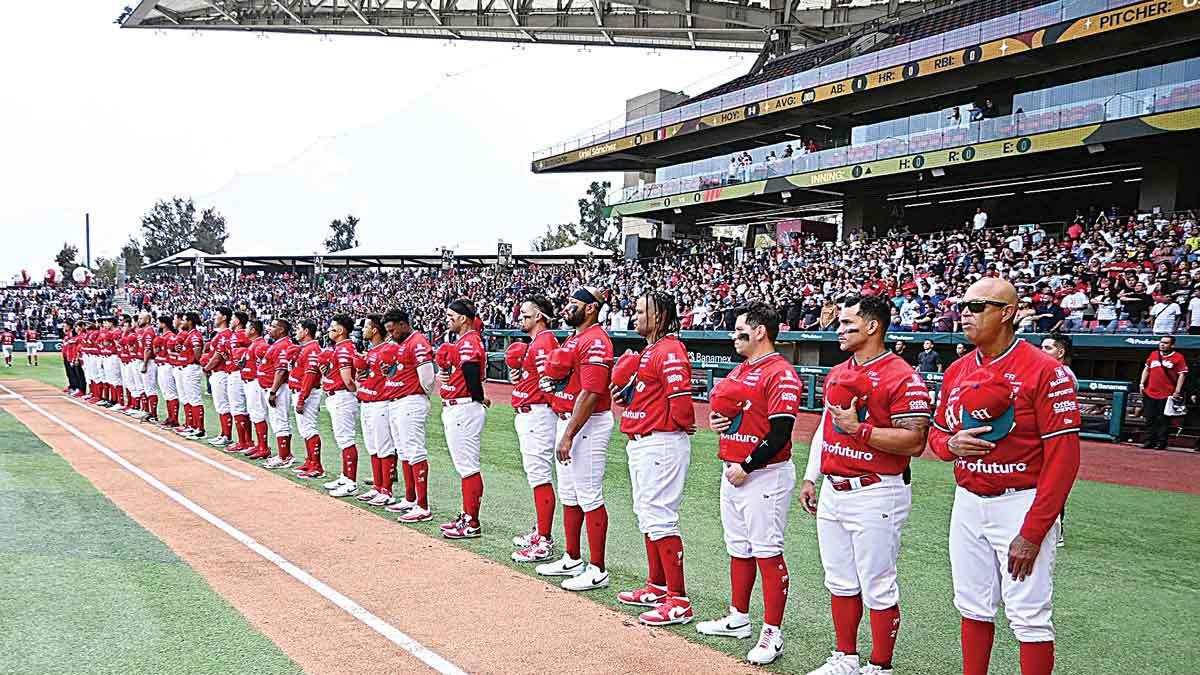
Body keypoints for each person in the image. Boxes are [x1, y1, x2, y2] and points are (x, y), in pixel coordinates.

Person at [928, 278, 1080, 675]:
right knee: (972, 604)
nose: (966, 312)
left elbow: (1064, 460)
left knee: (1028, 614)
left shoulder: (1046, 370)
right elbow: (937, 436)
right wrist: (951, 445)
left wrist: (1032, 532)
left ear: (1007, 313)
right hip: (968, 500)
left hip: (1021, 500)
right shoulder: (958, 370)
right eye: (964, 304)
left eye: (978, 306)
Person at [799, 294, 932, 675]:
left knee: (878, 583)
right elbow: (828, 427)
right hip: (835, 488)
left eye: (847, 324)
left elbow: (915, 441)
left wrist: (860, 430)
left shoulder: (902, 375)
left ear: (873, 326)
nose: (838, 330)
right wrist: (813, 475)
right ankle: (845, 659)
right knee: (839, 579)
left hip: (878, 489)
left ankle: (880, 666)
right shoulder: (839, 372)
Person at [697, 302, 799, 666]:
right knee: (739, 547)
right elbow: (736, 413)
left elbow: (781, 431)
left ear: (760, 331)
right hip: (734, 471)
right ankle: (739, 617)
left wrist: (749, 464)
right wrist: (719, 422)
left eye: (740, 330)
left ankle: (773, 632)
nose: (733, 336)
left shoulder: (780, 372)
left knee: (767, 551)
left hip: (764, 474)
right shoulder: (743, 368)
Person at [613, 292, 695, 626]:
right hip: (644, 441)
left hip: (660, 443)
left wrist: (677, 425)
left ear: (658, 316)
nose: (633, 316)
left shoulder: (670, 350)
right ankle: (657, 586)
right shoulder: (652, 349)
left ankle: (679, 600)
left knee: (660, 517)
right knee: (648, 515)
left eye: (640, 311)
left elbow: (683, 407)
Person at [534, 287, 615, 592]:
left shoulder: (595, 339)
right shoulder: (575, 337)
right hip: (570, 419)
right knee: (570, 493)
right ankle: (572, 557)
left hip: (588, 424)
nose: (567, 308)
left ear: (591, 308)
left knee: (589, 494)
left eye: (574, 304)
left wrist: (569, 435)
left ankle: (597, 568)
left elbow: (592, 391)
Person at [510, 297, 562, 561]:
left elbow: (549, 383)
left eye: (526, 314)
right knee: (536, 475)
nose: (521, 317)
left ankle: (544, 540)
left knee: (540, 475)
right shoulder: (539, 343)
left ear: (540, 316)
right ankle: (541, 531)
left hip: (539, 414)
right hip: (532, 412)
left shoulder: (543, 342)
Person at [438, 298, 489, 539]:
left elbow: (470, 372)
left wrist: (479, 397)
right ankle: (466, 515)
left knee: (468, 467)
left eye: (451, 317)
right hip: (459, 407)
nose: (448, 320)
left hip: (464, 407)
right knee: (464, 467)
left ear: (463, 319)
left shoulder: (469, 341)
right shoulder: (464, 341)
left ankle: (472, 521)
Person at [382, 309, 436, 522]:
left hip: (411, 400)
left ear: (404, 324)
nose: (391, 334)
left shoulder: (418, 342)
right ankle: (410, 498)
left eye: (393, 329)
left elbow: (428, 378)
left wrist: (420, 394)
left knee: (414, 451)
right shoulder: (404, 344)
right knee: (404, 451)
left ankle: (423, 505)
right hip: (399, 401)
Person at [350, 315, 400, 504]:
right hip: (367, 401)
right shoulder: (372, 351)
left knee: (384, 447)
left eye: (366, 327)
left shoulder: (389, 349)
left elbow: (392, 375)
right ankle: (378, 486)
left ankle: (387, 490)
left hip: (381, 402)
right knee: (373, 447)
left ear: (375, 330)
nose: (363, 330)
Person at [1040, 334, 1075, 548]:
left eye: (1048, 348)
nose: (1042, 351)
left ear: (1060, 352)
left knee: (1052, 483)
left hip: (1055, 438)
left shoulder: (1063, 375)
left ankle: (1056, 530)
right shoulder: (1049, 372)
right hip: (1045, 438)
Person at [318, 315, 361, 487]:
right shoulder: (342, 347)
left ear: (341, 330)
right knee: (342, 438)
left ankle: (350, 481)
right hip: (338, 395)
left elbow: (348, 380)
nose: (329, 331)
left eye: (332, 328)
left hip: (341, 396)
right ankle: (345, 476)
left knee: (346, 438)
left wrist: (352, 393)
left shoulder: (343, 349)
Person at [277, 320, 322, 473]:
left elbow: (310, 375)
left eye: (298, 328)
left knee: (309, 428)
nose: (296, 331)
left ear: (306, 331)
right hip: (299, 391)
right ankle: (309, 461)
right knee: (304, 429)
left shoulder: (312, 349)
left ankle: (316, 466)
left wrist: (302, 398)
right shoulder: (305, 348)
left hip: (307, 393)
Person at [1139, 335, 1187, 450]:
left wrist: (1177, 390)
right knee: (1150, 417)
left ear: (1172, 345)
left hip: (1167, 393)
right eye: (1161, 342)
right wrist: (1142, 383)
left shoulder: (1178, 357)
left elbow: (1182, 374)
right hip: (1150, 391)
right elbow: (1147, 368)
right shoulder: (1153, 354)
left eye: (1166, 343)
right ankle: (1149, 441)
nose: (1162, 344)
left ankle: (1161, 442)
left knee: (1163, 419)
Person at [262, 318, 296, 464]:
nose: (269, 329)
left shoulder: (283, 345)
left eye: (273, 326)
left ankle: (284, 456)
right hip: (275, 386)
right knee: (279, 420)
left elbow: (281, 370)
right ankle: (285, 454)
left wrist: (273, 391)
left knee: (280, 420)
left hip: (279, 387)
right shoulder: (279, 344)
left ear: (281, 330)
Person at [202, 307, 235, 447]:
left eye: (217, 315)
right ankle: (223, 433)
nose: (214, 317)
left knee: (223, 404)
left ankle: (227, 435)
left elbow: (218, 356)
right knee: (219, 404)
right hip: (216, 372)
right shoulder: (219, 334)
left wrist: (207, 367)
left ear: (224, 318)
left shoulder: (225, 334)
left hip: (220, 372)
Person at [222, 314, 253, 453]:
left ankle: (245, 441)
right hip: (233, 371)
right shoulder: (235, 335)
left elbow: (251, 350)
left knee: (238, 407)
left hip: (238, 372)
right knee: (238, 407)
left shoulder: (241, 335)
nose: (231, 320)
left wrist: (242, 356)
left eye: (233, 318)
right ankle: (245, 441)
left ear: (239, 321)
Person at [243, 319, 273, 460]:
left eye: (248, 328)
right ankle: (260, 444)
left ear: (253, 330)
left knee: (258, 413)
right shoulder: (255, 344)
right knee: (254, 413)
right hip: (251, 381)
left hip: (255, 382)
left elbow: (266, 364)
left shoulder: (260, 345)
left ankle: (264, 447)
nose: (245, 331)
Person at [175, 312, 205, 439]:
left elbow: (198, 356)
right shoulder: (189, 335)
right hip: (186, 367)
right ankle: (192, 425)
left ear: (190, 322)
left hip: (192, 367)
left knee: (194, 398)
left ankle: (200, 429)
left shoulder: (194, 336)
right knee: (188, 397)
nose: (182, 322)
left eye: (185, 320)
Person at [154, 315, 180, 428]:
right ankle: (170, 418)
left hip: (167, 365)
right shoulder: (163, 336)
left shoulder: (171, 336)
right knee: (166, 393)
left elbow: (174, 352)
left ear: (164, 324)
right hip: (161, 365)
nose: (157, 324)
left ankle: (174, 419)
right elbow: (157, 352)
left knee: (170, 393)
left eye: (159, 322)